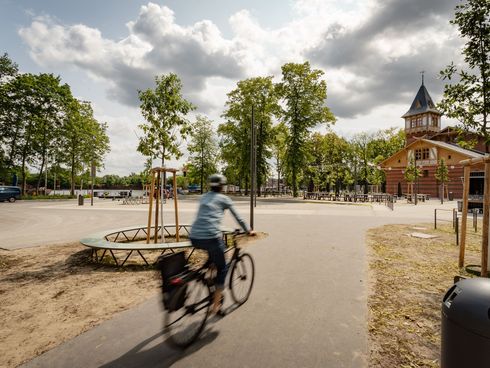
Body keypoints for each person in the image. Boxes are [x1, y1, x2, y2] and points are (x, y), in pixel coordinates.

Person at [189, 174, 255, 315]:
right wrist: (248, 230)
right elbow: (238, 217)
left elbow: (205, 217)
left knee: (219, 251)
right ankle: (215, 305)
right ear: (223, 186)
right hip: (211, 237)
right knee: (223, 268)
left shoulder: (204, 197)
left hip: (194, 236)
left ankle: (209, 278)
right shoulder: (224, 199)